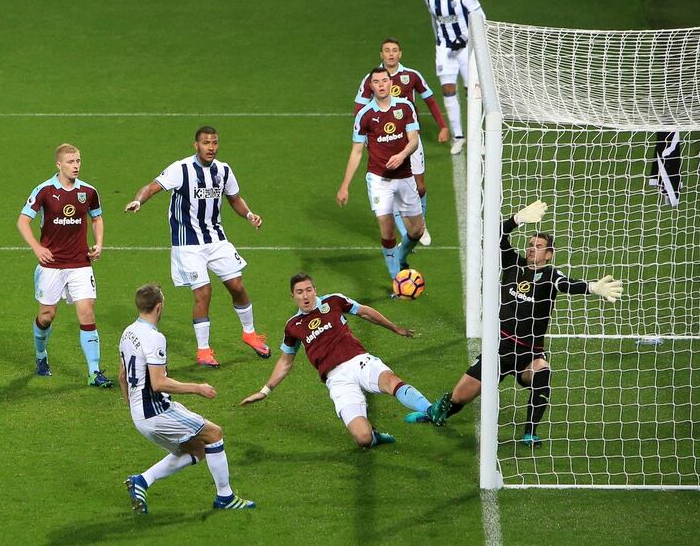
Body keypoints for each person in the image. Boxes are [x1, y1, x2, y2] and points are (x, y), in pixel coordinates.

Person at [406, 201, 624, 447]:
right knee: (459, 397)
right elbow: (494, 238)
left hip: (529, 354)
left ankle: (530, 432)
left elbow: (568, 285)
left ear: (549, 254)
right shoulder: (513, 264)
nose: (533, 249)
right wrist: (516, 219)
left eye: (539, 247)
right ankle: (434, 413)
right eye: (530, 245)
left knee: (543, 372)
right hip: (499, 349)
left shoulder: (551, 276)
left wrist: (593, 287)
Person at [240, 273, 451, 448]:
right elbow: (285, 362)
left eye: (309, 290)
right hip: (337, 380)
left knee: (390, 381)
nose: (306, 296)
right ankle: (374, 436)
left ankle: (430, 410)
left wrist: (395, 328)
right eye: (300, 292)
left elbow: (366, 313)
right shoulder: (293, 326)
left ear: (315, 289)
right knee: (363, 439)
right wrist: (264, 390)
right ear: (293, 296)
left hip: (359, 360)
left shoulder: (333, 301)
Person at [125, 126, 270, 368]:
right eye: (206, 143)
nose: (211, 147)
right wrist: (138, 200)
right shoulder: (180, 169)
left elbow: (234, 198)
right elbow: (151, 187)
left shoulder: (223, 170)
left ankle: (250, 333)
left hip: (216, 239)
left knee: (237, 285)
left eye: (214, 142)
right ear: (196, 145)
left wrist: (249, 215)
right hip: (188, 243)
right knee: (203, 292)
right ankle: (203, 351)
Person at [120, 284, 255, 513]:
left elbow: (122, 375)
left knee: (198, 449)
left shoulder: (128, 332)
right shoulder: (154, 338)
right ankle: (226, 497)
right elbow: (159, 382)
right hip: (156, 411)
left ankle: (141, 481)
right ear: (159, 307)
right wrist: (197, 387)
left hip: (139, 413)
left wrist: (132, 407)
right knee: (214, 433)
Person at [16, 143, 112, 387]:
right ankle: (41, 355)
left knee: (87, 311)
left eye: (78, 161)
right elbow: (23, 221)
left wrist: (99, 243)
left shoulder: (89, 192)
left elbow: (97, 218)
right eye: (71, 162)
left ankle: (94, 372)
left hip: (80, 263)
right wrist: (37, 248)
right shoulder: (45, 190)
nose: (76, 165)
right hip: (52, 265)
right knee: (47, 316)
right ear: (59, 164)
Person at [354, 38, 450, 247]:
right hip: (384, 142)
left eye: (394, 50)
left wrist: (442, 126)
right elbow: (359, 108)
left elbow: (430, 100)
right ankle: (408, 233)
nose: (390, 54)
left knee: (420, 187)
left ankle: (419, 224)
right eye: (386, 51)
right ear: (381, 55)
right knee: (392, 189)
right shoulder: (372, 79)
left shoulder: (411, 76)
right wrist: (364, 135)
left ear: (400, 54)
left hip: (409, 141)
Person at [338, 67, 424, 286]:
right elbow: (356, 151)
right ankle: (397, 279)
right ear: (371, 86)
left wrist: (402, 154)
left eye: (384, 80)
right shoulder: (364, 115)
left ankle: (402, 257)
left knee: (417, 230)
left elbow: (413, 139)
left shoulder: (405, 107)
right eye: (376, 82)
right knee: (387, 227)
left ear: (390, 82)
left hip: (405, 176)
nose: (381, 84)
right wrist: (345, 186)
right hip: (378, 179)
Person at [425, 0, 486, 154]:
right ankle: (458, 137)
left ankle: (477, 138)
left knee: (472, 92)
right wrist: (440, 43)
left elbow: (481, 17)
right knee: (448, 90)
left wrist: (464, 36)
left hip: (467, 48)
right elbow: (435, 22)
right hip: (444, 49)